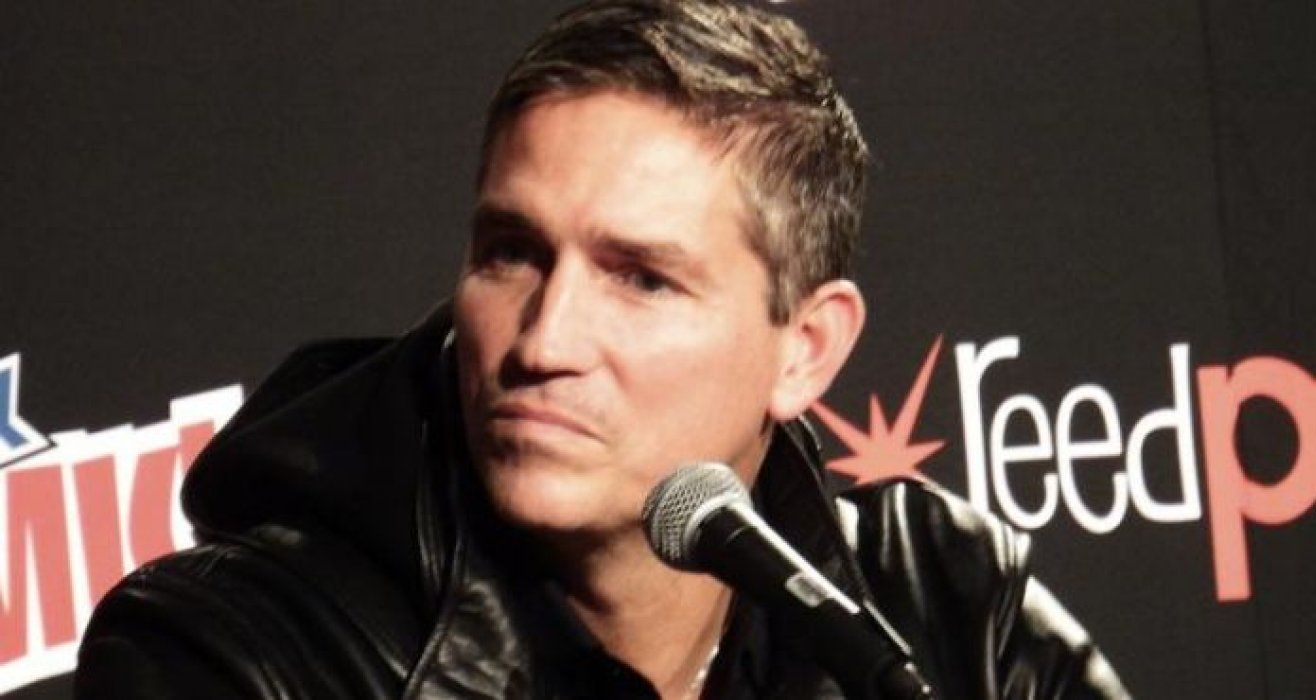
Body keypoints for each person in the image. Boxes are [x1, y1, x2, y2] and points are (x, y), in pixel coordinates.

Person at [76, 1, 1128, 697]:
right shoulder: (234, 652)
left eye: (641, 277)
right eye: (511, 254)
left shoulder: (943, 613)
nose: (545, 339)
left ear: (805, 351)